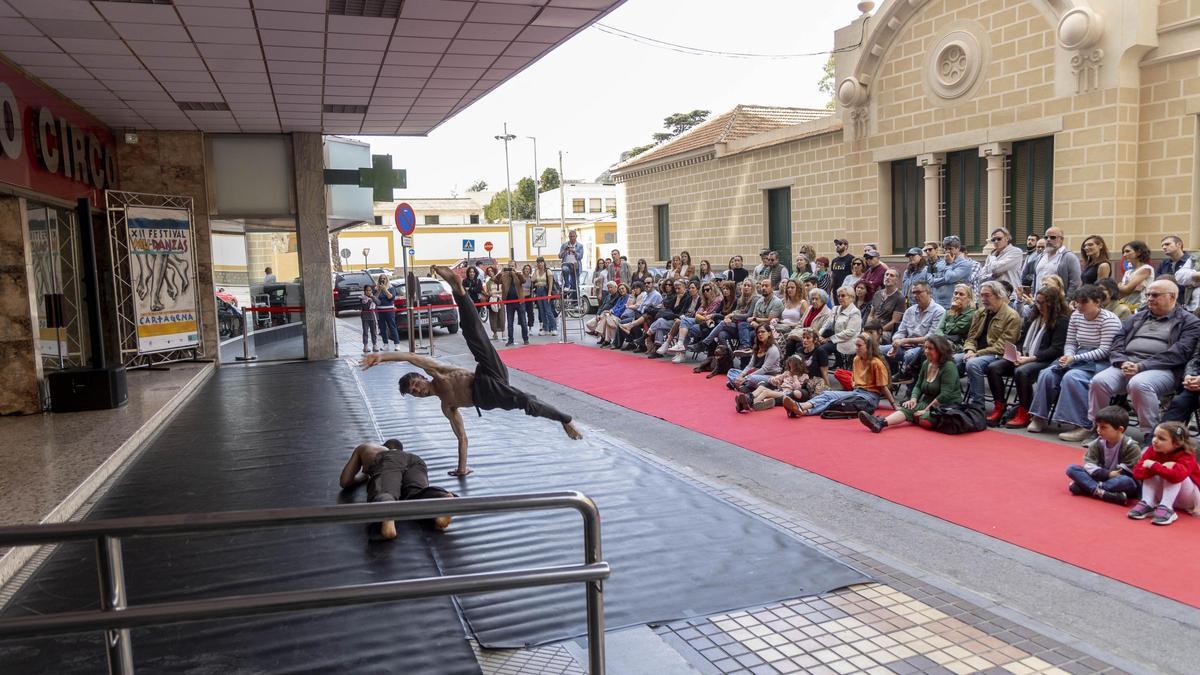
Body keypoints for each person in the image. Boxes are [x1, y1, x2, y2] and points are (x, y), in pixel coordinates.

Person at [363, 266, 582, 477]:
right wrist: (461, 468)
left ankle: (459, 292)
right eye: (414, 393)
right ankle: (565, 419)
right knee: (525, 400)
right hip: (486, 395)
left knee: (474, 334)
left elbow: (411, 356)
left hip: (486, 372)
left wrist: (382, 357)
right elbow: (462, 437)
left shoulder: (438, 371)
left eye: (416, 385)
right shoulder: (447, 407)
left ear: (422, 377)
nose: (417, 391)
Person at [1059, 279, 1200, 443]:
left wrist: (1141, 366)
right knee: (1099, 381)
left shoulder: (1189, 321)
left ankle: (1151, 435)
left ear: (1172, 296)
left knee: (1139, 384)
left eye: (1155, 295)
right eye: (1147, 295)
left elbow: (1180, 353)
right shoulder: (1139, 316)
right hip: (1127, 364)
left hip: (1162, 369)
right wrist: (1121, 361)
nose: (1149, 299)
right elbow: (1117, 341)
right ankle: (1098, 429)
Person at [1027, 284, 1123, 434]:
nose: (1079, 306)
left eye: (1084, 302)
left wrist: (1074, 358)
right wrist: (1068, 355)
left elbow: (1104, 350)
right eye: (1077, 301)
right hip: (1077, 355)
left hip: (1100, 361)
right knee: (1047, 373)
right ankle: (1039, 416)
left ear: (1097, 302)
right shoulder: (1076, 315)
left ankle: (1080, 424)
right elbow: (1070, 342)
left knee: (1073, 377)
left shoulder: (1109, 320)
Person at [985, 286, 1070, 426]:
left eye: (1044, 303)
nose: (1040, 306)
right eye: (1037, 302)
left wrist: (1030, 358)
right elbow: (1021, 340)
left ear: (1054, 303)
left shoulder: (1062, 320)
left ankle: (1024, 411)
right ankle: (999, 406)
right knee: (993, 367)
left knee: (1021, 371)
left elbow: (1056, 349)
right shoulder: (1033, 317)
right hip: (1025, 356)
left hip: (1045, 360)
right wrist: (1017, 352)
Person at [339, 439, 455, 539]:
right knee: (415, 493)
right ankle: (441, 497)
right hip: (416, 461)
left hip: (389, 461)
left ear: (385, 445)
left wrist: (363, 477)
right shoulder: (407, 455)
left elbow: (345, 481)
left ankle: (387, 518)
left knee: (385, 491)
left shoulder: (367, 447)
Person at [858, 335, 960, 433]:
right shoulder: (926, 364)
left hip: (946, 405)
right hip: (928, 402)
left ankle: (917, 417)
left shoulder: (949, 366)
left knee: (925, 418)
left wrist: (925, 409)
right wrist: (913, 399)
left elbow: (946, 394)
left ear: (940, 350)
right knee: (908, 407)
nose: (926, 351)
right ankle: (880, 422)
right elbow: (918, 385)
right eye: (925, 348)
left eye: (930, 348)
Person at [783, 334, 895, 417]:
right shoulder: (856, 359)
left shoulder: (876, 363)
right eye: (855, 345)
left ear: (868, 347)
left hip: (870, 397)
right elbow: (854, 382)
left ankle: (803, 410)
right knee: (827, 394)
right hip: (857, 391)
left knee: (834, 401)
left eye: (859, 345)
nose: (856, 348)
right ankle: (801, 407)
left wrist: (894, 406)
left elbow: (883, 387)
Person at [960, 281, 1022, 409]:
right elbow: (970, 337)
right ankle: (953, 399)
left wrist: (976, 354)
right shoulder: (980, 313)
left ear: (999, 295)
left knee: (973, 364)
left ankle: (977, 405)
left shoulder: (1012, 316)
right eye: (981, 296)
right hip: (976, 352)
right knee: (949, 360)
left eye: (987, 296)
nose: (983, 299)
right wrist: (970, 350)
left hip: (997, 355)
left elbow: (1002, 347)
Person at [1127, 421, 1200, 526]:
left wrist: (1155, 466)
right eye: (1154, 436)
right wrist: (1154, 467)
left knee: (1171, 470)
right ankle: (1148, 503)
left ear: (1176, 443)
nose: (1155, 440)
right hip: (1165, 494)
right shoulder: (1152, 450)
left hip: (1187, 499)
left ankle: (1167, 507)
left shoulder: (1187, 455)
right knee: (1153, 469)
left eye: (1161, 439)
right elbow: (1137, 473)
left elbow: (1177, 477)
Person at [1064, 405, 1142, 505]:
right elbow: (1089, 464)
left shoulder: (1131, 446)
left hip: (1119, 482)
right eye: (1097, 426)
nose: (1098, 430)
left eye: (1103, 427)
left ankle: (1087, 488)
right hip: (1102, 476)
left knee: (1126, 481)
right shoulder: (1098, 443)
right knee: (1072, 469)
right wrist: (1107, 474)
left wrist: (1108, 476)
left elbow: (1128, 472)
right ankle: (1105, 494)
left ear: (1120, 429)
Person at [883, 281, 945, 377]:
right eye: (913, 293)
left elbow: (931, 337)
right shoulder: (910, 310)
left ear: (928, 292)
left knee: (910, 355)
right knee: (879, 350)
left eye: (919, 292)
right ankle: (890, 378)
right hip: (904, 346)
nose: (915, 295)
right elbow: (900, 332)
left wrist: (904, 341)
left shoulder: (939, 311)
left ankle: (909, 385)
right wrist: (896, 342)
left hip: (923, 348)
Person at [737, 354, 810, 412]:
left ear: (798, 367)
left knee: (765, 392)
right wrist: (778, 379)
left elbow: (798, 389)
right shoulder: (787, 373)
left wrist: (795, 378)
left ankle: (750, 403)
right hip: (780, 391)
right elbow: (772, 381)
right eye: (790, 366)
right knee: (762, 387)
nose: (791, 369)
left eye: (793, 367)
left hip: (788, 394)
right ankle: (748, 398)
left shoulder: (804, 376)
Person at [815, 286, 863, 373]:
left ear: (851, 297)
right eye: (838, 296)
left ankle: (823, 374)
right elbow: (827, 324)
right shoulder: (835, 308)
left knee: (821, 349)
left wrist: (829, 339)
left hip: (846, 341)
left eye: (843, 295)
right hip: (835, 339)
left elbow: (849, 332)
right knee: (813, 345)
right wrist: (819, 335)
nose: (840, 298)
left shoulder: (854, 312)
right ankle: (816, 373)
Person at [727, 325, 782, 394]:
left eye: (763, 332)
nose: (760, 334)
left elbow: (764, 369)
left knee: (752, 379)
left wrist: (745, 378)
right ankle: (745, 386)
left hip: (770, 376)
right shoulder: (757, 347)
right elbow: (750, 366)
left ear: (769, 333)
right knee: (731, 371)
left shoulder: (773, 349)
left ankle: (740, 385)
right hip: (755, 373)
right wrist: (741, 376)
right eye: (758, 332)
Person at [929, 236, 977, 308]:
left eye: (950, 249)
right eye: (945, 249)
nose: (947, 251)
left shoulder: (966, 264)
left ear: (958, 248)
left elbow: (950, 278)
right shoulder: (939, 264)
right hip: (937, 304)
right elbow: (931, 281)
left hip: (956, 305)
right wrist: (948, 280)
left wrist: (949, 264)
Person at [977, 228, 1023, 299]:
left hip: (1009, 296)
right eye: (993, 240)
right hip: (992, 295)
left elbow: (995, 269)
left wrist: (993, 258)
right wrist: (992, 276)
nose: (996, 241)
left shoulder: (1015, 252)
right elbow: (981, 276)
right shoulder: (991, 254)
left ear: (1007, 238)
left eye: (999, 239)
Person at [1034, 227, 1081, 296]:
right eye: (1046, 237)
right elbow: (1035, 279)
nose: (1048, 240)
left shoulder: (1069, 257)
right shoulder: (1040, 257)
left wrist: (1066, 301)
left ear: (1061, 239)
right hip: (1039, 301)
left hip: (1057, 302)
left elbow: (1075, 282)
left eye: (1053, 237)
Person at [1116, 240, 1155, 311]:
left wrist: (1120, 285)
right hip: (1126, 306)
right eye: (1123, 252)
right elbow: (1122, 292)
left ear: (1138, 252)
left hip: (1141, 307)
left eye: (1127, 251)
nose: (1124, 255)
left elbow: (1127, 289)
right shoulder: (1128, 272)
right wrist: (1124, 287)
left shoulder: (1146, 269)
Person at [868, 268, 905, 340]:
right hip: (873, 327)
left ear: (896, 281)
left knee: (870, 339)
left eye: (891, 275)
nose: (888, 277)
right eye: (886, 274)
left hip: (887, 331)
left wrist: (879, 331)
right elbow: (871, 315)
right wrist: (868, 327)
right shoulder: (877, 294)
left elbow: (894, 321)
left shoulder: (900, 297)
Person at [498, 265, 528, 346]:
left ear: (515, 266)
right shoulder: (504, 276)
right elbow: (496, 281)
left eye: (512, 267)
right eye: (509, 267)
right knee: (510, 322)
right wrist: (501, 272)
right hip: (509, 302)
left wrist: (516, 273)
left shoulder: (518, 275)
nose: (510, 269)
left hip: (519, 302)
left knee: (523, 321)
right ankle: (510, 339)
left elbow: (524, 280)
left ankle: (525, 339)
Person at [531, 257, 557, 336]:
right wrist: (535, 270)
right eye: (538, 262)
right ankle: (545, 328)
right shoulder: (537, 271)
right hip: (538, 291)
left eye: (541, 262)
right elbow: (532, 280)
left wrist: (549, 294)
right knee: (541, 311)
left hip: (545, 291)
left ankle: (553, 328)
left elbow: (550, 283)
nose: (540, 264)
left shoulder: (548, 271)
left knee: (548, 310)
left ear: (544, 262)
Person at [374, 274, 401, 350]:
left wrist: (385, 289)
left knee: (392, 326)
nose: (382, 280)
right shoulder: (376, 288)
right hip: (380, 310)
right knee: (382, 328)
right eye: (381, 279)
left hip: (389, 310)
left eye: (384, 279)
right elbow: (375, 298)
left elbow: (391, 298)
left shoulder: (391, 287)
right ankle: (385, 344)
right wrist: (379, 290)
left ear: (387, 279)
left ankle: (397, 344)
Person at [558, 230, 584, 297]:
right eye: (570, 236)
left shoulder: (580, 246)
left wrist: (574, 252)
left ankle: (574, 302)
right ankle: (567, 285)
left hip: (575, 266)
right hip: (567, 264)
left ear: (576, 236)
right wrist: (565, 250)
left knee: (575, 284)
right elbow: (560, 256)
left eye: (573, 236)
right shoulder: (564, 245)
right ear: (568, 237)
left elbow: (580, 256)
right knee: (564, 269)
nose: (572, 238)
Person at [484, 265, 505, 340]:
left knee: (501, 317)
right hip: (492, 300)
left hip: (500, 300)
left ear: (494, 271)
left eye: (491, 271)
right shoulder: (488, 282)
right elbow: (488, 292)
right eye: (488, 271)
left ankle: (503, 333)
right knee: (493, 317)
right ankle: (495, 334)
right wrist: (488, 294)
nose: (490, 272)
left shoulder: (499, 279)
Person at [360, 283, 379, 353]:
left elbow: (378, 303)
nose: (368, 292)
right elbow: (366, 306)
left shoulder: (373, 297)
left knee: (373, 332)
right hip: (365, 317)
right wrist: (370, 299)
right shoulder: (362, 298)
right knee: (365, 331)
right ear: (364, 291)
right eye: (367, 290)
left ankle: (375, 345)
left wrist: (373, 297)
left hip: (373, 317)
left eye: (370, 290)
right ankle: (365, 346)